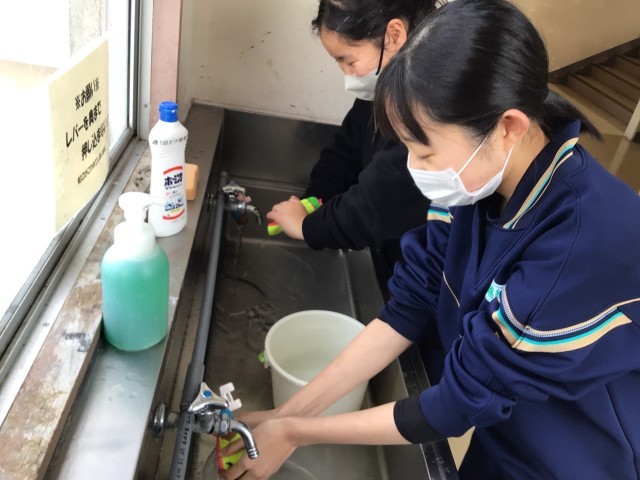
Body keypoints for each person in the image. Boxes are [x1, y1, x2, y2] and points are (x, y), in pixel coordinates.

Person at [222, 1, 640, 479]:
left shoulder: (575, 244)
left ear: (507, 127)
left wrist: (295, 433)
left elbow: (456, 404)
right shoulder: (476, 184)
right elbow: (412, 302)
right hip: (507, 436)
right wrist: (285, 416)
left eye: (424, 152)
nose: (414, 169)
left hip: (581, 459)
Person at [266, 0, 437, 289]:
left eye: (349, 61)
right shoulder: (382, 91)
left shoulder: (427, 108)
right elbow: (344, 153)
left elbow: (380, 201)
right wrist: (316, 199)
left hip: (423, 274)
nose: (347, 74)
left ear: (394, 36)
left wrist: (308, 227)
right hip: (391, 256)